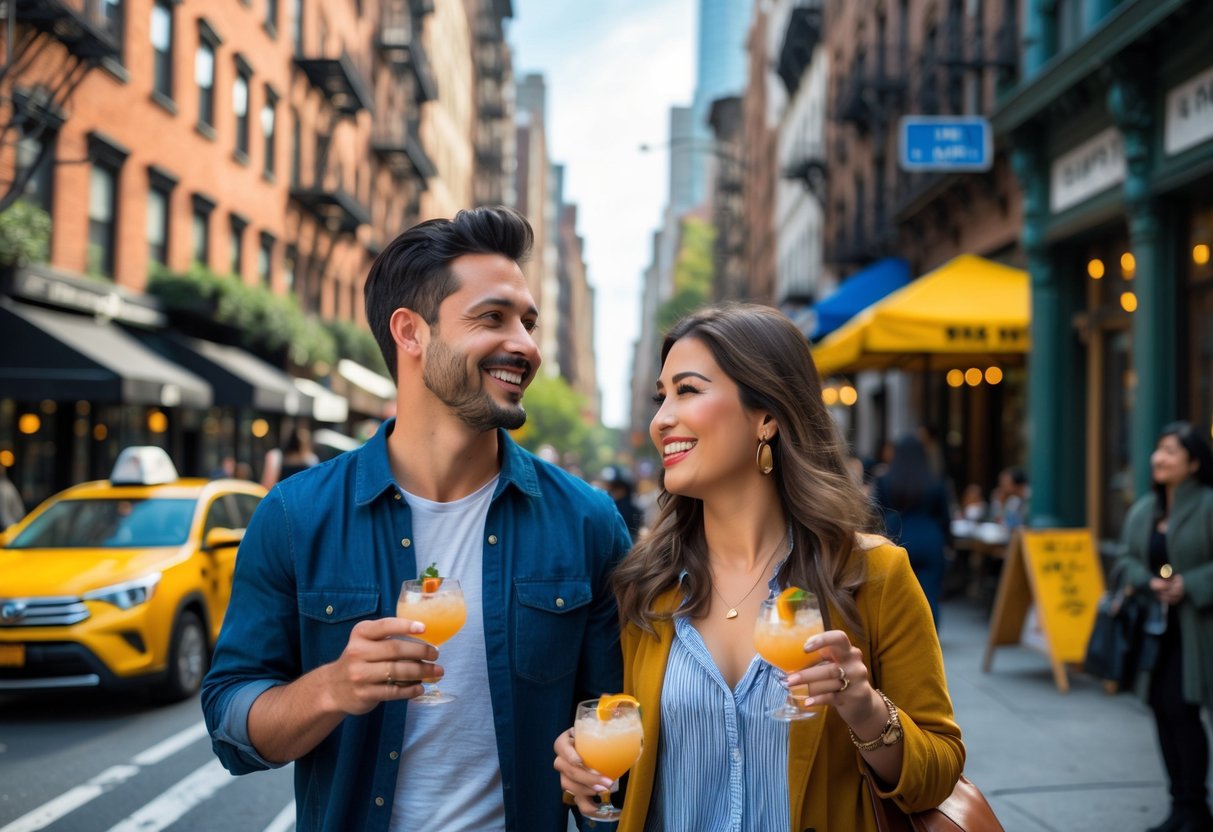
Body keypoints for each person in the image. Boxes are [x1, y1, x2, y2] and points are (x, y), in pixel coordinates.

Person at [202, 206, 631, 832]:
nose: (526, 346)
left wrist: (597, 786)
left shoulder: (588, 522)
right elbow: (231, 727)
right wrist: (332, 688)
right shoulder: (294, 516)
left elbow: (617, 724)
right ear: (411, 332)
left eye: (529, 323)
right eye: (493, 317)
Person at [553, 304, 963, 831]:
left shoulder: (872, 574)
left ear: (766, 417)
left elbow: (939, 773)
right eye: (661, 397)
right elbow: (631, 749)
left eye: (688, 390)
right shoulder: (646, 586)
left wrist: (864, 708)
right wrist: (584, 762)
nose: (660, 420)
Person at [1115, 421, 1213, 832]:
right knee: (1162, 710)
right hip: (1153, 634)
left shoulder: (1208, 504)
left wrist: (1189, 584)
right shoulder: (1144, 510)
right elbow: (1123, 561)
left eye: (1171, 451)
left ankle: (1195, 809)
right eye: (1158, 449)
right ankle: (1180, 806)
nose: (1160, 458)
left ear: (1193, 462)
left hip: (1197, 632)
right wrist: (1147, 581)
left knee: (1184, 712)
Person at [871, 434, 952, 626]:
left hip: (897, 536)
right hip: (930, 539)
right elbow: (945, 517)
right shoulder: (935, 481)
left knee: (897, 592)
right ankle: (929, 637)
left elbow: (876, 514)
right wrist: (948, 542)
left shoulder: (885, 480)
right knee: (930, 594)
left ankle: (903, 634)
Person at [0, 466, 24, 530]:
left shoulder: (3, 488)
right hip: (16, 526)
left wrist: (12, 531)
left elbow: (5, 518)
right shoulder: (7, 485)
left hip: (12, 528)